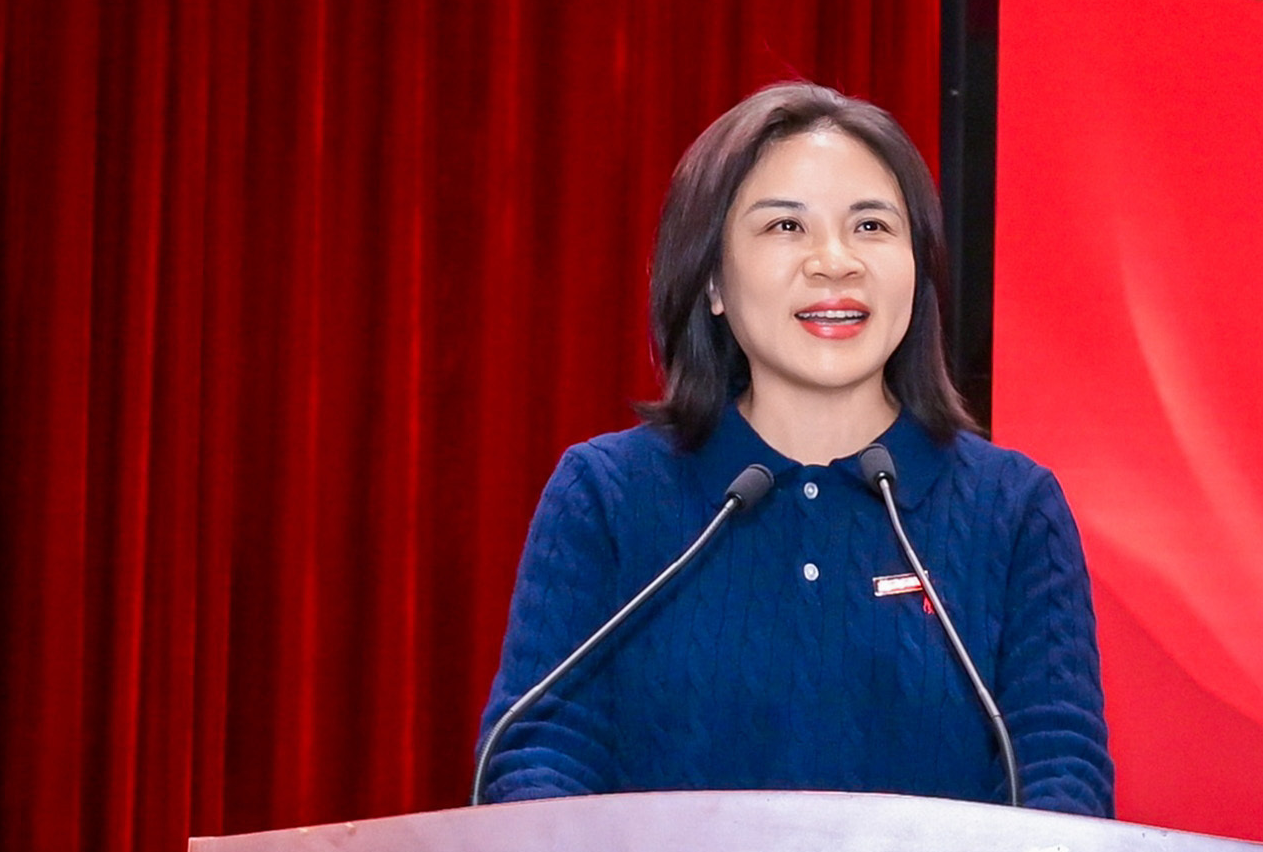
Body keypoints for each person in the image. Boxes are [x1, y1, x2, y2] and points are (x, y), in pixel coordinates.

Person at [473, 83, 1113, 814]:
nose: (835, 261)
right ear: (713, 280)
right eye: (786, 226)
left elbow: (1060, 780)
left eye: (871, 226)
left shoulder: (1012, 509)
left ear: (916, 269)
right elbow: (538, 760)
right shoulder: (608, 495)